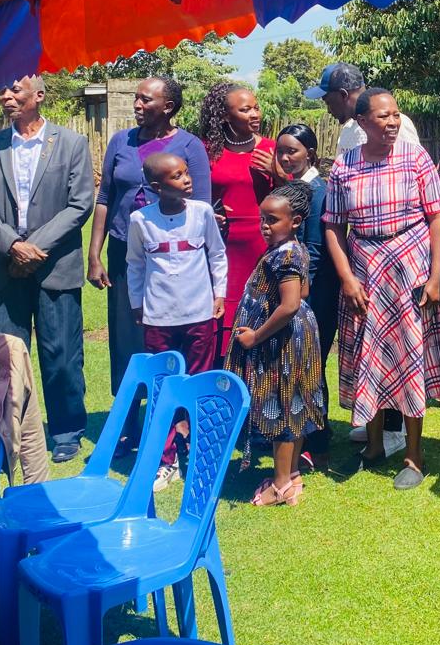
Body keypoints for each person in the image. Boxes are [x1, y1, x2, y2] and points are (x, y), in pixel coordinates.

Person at [323, 88, 440, 490]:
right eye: (383, 116)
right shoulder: (344, 166)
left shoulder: (416, 158)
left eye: (396, 114)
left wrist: (435, 276)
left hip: (410, 268)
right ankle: (375, 446)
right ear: (362, 122)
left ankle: (414, 456)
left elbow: (436, 216)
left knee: (409, 354)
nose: (393, 122)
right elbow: (333, 223)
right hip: (365, 268)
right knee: (371, 354)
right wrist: (347, 277)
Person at [88, 76, 211, 452]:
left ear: (168, 106)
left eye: (146, 99)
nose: (137, 105)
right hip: (127, 255)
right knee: (127, 339)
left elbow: (200, 207)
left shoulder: (190, 146)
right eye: (137, 99)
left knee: (167, 340)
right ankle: (128, 421)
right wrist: (94, 253)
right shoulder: (120, 142)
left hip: (173, 263)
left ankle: (176, 426)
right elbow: (106, 197)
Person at [0, 74, 92, 463]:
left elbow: (80, 205)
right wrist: (12, 245)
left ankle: (66, 430)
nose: (6, 97)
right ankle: (7, 430)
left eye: (15, 90)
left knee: (61, 355)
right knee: (4, 355)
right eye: (3, 91)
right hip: (4, 267)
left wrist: (34, 247)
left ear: (39, 96)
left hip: (55, 266)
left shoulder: (72, 144)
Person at [306, 61, 417, 454]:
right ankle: (374, 418)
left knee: (396, 337)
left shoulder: (384, 125)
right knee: (368, 337)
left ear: (342, 95)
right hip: (361, 247)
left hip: (396, 249)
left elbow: (409, 189)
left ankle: (394, 425)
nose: (327, 109)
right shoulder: (351, 132)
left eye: (328, 100)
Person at [127, 152, 227, 491]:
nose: (188, 180)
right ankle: (164, 459)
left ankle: (200, 455)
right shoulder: (141, 220)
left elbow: (216, 253)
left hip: (198, 314)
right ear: (157, 187)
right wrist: (136, 303)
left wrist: (219, 294)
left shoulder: (201, 213)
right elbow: (135, 264)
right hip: (158, 317)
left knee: (199, 385)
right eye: (177, 176)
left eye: (187, 173)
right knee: (162, 389)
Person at [228, 182, 326, 506]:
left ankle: (281, 484)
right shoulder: (292, 249)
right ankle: (291, 473)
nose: (265, 227)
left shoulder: (285, 256)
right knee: (294, 403)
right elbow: (304, 292)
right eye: (263, 220)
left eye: (272, 220)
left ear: (295, 221)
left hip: (283, 343)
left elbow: (290, 304)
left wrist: (256, 335)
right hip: (294, 337)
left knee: (282, 406)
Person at [274, 123, 338, 469]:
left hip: (315, 292)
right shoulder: (292, 188)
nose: (285, 157)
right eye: (280, 151)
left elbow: (314, 250)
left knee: (312, 365)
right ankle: (302, 433)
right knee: (300, 365)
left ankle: (319, 439)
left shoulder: (317, 191)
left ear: (310, 154)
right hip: (297, 290)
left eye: (293, 151)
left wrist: (298, 296)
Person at [199, 83, 277, 358]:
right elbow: (195, 196)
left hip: (262, 245)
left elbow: (292, 198)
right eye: (245, 109)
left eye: (255, 107)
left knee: (260, 311)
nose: (255, 113)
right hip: (223, 246)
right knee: (222, 316)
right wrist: (210, 214)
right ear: (224, 116)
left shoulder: (272, 149)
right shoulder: (207, 151)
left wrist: (276, 172)